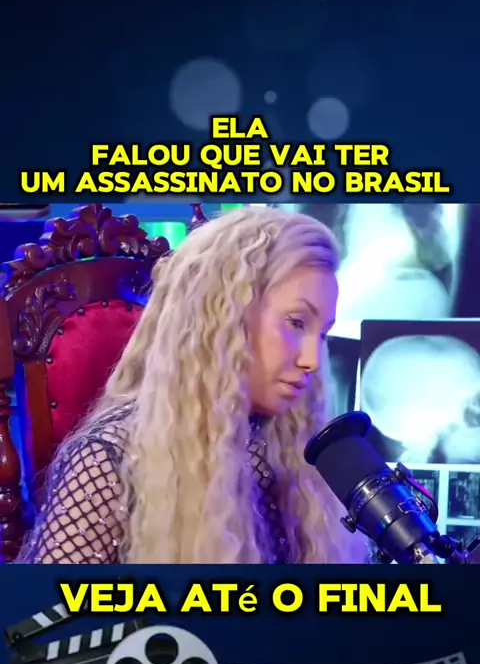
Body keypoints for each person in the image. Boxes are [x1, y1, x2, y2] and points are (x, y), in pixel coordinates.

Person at [19, 205, 368, 565]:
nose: (312, 360)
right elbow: (50, 602)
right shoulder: (108, 460)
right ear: (224, 318)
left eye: (322, 333)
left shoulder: (288, 452)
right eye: (296, 322)